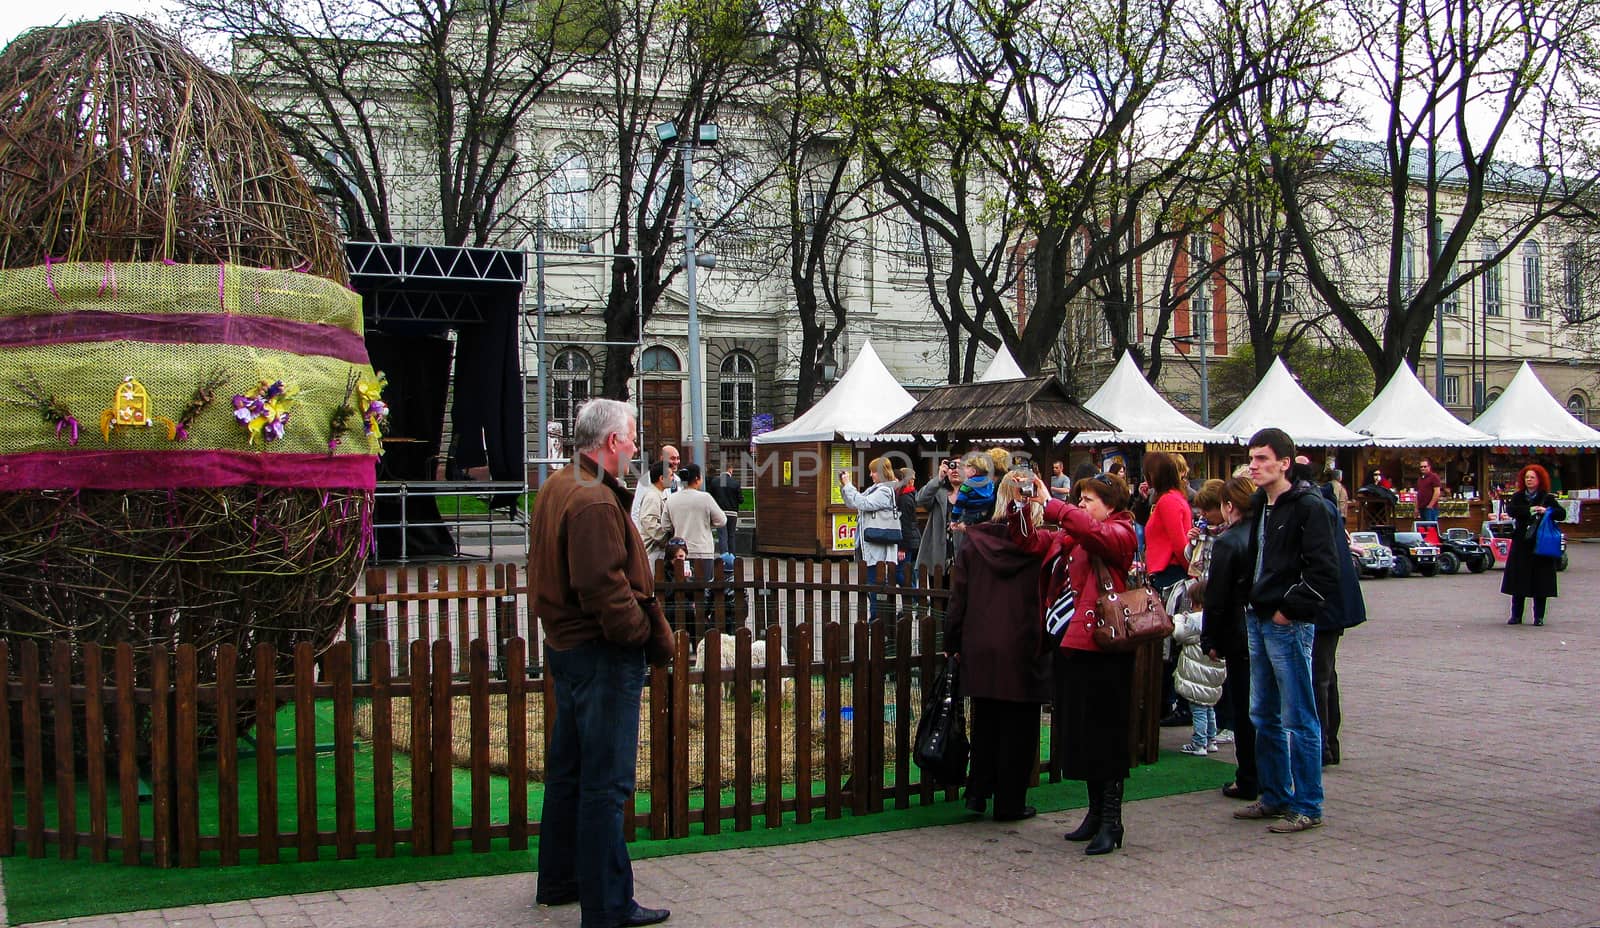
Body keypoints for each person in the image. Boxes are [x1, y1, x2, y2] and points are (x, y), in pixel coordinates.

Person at [530, 398, 673, 928]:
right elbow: (603, 586)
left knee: (569, 773)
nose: (636, 447)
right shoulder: (591, 498)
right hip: (599, 653)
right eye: (632, 438)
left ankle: (561, 879)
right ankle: (609, 906)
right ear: (612, 442)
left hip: (568, 648)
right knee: (605, 784)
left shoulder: (561, 484)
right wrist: (637, 636)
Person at [1009, 469, 1138, 855]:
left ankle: (1111, 820)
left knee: (1106, 733)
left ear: (1110, 505)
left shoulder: (1120, 532)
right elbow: (1032, 544)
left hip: (1105, 647)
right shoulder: (1077, 533)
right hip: (1074, 643)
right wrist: (1024, 508)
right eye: (1079, 499)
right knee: (1083, 731)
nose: (1081, 505)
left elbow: (1095, 535)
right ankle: (1095, 812)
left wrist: (1056, 505)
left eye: (1089, 500)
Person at [1234, 428, 1340, 834]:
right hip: (1259, 616)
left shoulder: (1308, 506)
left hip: (1286, 622)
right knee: (1263, 712)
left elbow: (1323, 570)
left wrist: (1287, 610)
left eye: (1261, 458)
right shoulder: (1263, 503)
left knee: (1298, 714)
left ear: (1284, 462)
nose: (1254, 466)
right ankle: (1275, 793)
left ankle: (1308, 803)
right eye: (1252, 458)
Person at [943, 474, 1051, 822]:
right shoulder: (1041, 545)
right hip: (1023, 643)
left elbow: (958, 599)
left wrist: (953, 641)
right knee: (1019, 728)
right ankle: (1009, 802)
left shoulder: (975, 542)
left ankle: (977, 792)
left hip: (982, 643)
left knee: (986, 721)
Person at [1198, 476, 1260, 801]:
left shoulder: (1228, 541)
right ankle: (1266, 773)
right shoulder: (1263, 535)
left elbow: (1217, 596)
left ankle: (1249, 775)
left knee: (1244, 705)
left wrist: (1210, 638)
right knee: (1265, 706)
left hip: (1239, 630)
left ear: (1228, 505)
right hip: (1262, 627)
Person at [665, 464, 727, 631]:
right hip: (703, 552)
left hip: (680, 553)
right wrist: (707, 523)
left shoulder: (672, 499)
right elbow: (722, 520)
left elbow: (665, 525)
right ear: (698, 479)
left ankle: (682, 630)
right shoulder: (705, 498)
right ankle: (701, 630)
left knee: (682, 593)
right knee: (703, 595)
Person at [1502, 464, 1565, 626]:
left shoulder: (1547, 497)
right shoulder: (1518, 496)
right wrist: (1530, 510)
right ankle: (1516, 615)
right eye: (1526, 477)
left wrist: (1547, 511)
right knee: (1519, 580)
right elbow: (1511, 510)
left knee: (1541, 581)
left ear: (1539, 480)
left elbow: (1561, 514)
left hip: (1540, 544)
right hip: (1522, 542)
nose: (1529, 480)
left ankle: (1539, 616)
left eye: (1532, 477)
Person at [840, 457, 900, 621]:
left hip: (877, 547)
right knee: (870, 584)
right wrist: (845, 487)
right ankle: (881, 618)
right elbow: (854, 502)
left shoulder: (885, 491)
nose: (871, 474)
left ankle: (878, 620)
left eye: (873, 471)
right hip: (867, 546)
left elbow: (865, 503)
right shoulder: (875, 488)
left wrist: (849, 485)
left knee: (876, 585)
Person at [1171, 579, 1225, 756]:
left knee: (1198, 708)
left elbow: (1179, 635)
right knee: (1209, 707)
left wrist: (1178, 619)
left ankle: (1199, 743)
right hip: (1213, 674)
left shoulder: (1194, 620)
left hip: (1196, 675)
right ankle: (1211, 740)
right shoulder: (1219, 618)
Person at [1141, 450, 1191, 593]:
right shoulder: (1174, 497)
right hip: (1170, 571)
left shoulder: (1167, 501)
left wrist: (1191, 572)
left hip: (1170, 572)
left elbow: (1179, 542)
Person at [915, 458, 959, 575]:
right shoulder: (938, 492)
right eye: (952, 466)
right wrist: (939, 479)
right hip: (938, 554)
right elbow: (920, 499)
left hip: (962, 555)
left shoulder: (973, 494)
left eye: (960, 466)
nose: (955, 470)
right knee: (938, 591)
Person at [634, 461, 672, 572]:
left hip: (655, 549)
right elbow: (648, 521)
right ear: (661, 478)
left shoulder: (658, 494)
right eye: (670, 476)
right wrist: (665, 537)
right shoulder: (652, 496)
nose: (673, 479)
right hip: (651, 550)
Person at [630, 444, 680, 523]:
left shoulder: (677, 480)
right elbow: (636, 510)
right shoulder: (646, 480)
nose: (676, 462)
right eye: (672, 458)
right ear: (662, 459)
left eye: (678, 458)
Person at [950, 452, 997, 527]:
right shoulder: (990, 483)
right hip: (986, 516)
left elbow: (959, 504)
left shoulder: (967, 485)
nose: (964, 469)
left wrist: (953, 519)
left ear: (973, 471)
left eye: (967, 467)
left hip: (970, 517)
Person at [895, 467, 921, 593]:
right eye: (912, 479)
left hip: (908, 539)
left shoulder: (904, 497)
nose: (913, 482)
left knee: (901, 572)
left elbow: (904, 523)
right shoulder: (910, 495)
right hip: (913, 537)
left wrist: (902, 547)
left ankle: (915, 597)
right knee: (910, 571)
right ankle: (914, 601)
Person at [707, 462, 742, 555]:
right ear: (730, 470)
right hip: (732, 513)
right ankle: (732, 558)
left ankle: (724, 558)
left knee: (722, 536)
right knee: (731, 536)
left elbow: (710, 497)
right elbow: (741, 499)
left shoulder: (714, 482)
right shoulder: (735, 483)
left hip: (720, 512)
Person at [1415, 457, 1443, 524]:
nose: (1423, 468)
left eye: (1425, 466)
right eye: (1421, 467)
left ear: (1429, 467)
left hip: (1430, 509)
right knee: (1423, 528)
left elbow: (1437, 492)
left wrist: (1430, 505)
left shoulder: (1434, 477)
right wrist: (1416, 508)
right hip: (1422, 508)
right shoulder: (1420, 479)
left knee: (1431, 528)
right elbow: (1418, 493)